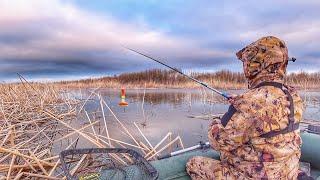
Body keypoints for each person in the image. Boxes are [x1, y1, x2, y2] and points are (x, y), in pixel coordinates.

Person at [186, 36, 304, 179]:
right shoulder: (293, 94)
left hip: (255, 175)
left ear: (257, 65)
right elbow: (265, 108)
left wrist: (220, 119)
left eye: (247, 62)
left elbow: (217, 141)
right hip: (287, 172)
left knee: (193, 163)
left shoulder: (249, 102)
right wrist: (241, 103)